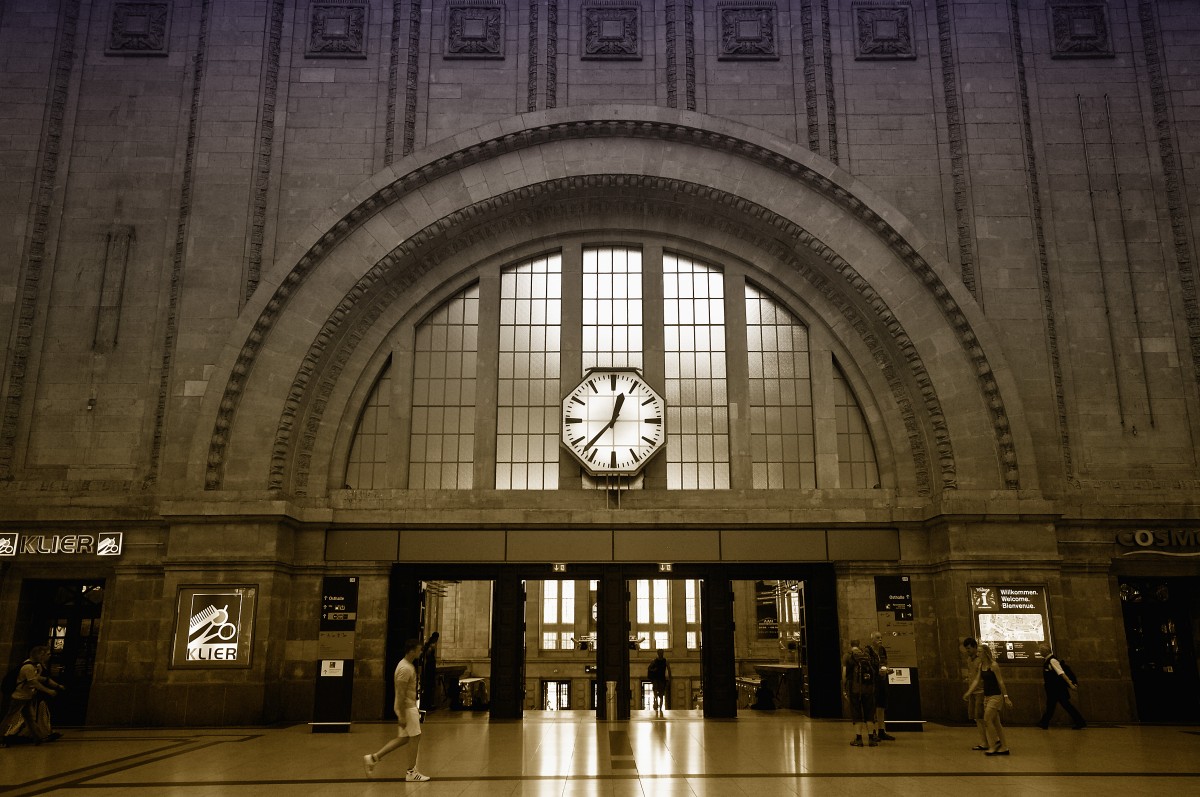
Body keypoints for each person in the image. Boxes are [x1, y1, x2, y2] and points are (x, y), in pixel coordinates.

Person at [363, 638, 431, 782]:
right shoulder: (405, 668)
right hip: (407, 707)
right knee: (416, 737)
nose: (420, 653)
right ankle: (411, 772)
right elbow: (400, 692)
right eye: (419, 650)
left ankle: (373, 758)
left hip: (407, 706)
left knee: (404, 738)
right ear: (412, 651)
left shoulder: (406, 666)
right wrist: (401, 714)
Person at [1, 646, 63, 746]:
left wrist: (55, 685)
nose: (44, 657)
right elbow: (34, 682)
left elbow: (38, 679)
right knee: (10, 717)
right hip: (19, 697)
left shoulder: (34, 666)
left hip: (27, 696)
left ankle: (37, 738)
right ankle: (1, 737)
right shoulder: (28, 667)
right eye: (43, 654)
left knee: (29, 718)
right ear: (38, 654)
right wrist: (49, 691)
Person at [962, 643, 1011, 755]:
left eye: (980, 652)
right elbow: (976, 680)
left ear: (985, 653)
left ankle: (993, 745)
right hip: (987, 697)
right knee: (996, 723)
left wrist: (1006, 697)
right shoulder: (981, 666)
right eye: (978, 651)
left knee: (987, 719)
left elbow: (1000, 682)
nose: (978, 654)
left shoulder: (993, 665)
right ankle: (1004, 747)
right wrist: (969, 692)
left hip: (996, 696)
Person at [1037, 642, 1086, 730]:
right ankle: (1044, 722)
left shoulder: (1052, 661)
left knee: (1062, 706)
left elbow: (1062, 673)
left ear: (1045, 651)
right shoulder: (1048, 660)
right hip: (1055, 689)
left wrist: (1071, 684)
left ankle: (1080, 722)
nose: (1039, 652)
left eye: (1040, 650)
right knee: (1054, 706)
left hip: (1057, 689)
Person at [841, 638, 877, 746]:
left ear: (850, 645)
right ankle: (871, 738)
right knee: (869, 712)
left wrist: (844, 688)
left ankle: (859, 739)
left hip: (855, 689)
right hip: (868, 688)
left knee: (856, 712)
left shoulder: (848, 656)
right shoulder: (866, 655)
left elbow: (844, 673)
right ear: (859, 644)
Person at [961, 637, 989, 751]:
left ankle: (986, 741)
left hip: (980, 691)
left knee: (981, 717)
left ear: (975, 647)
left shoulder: (980, 660)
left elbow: (979, 678)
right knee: (976, 718)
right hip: (973, 691)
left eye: (969, 649)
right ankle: (986, 740)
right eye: (966, 649)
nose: (968, 651)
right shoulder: (969, 659)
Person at [867, 631, 896, 741]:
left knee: (882, 705)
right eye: (878, 638)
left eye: (881, 637)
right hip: (874, 682)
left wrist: (887, 669)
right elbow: (869, 666)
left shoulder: (882, 650)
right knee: (873, 706)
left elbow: (884, 662)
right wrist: (877, 671)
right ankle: (873, 731)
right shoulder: (868, 650)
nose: (880, 639)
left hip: (882, 680)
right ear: (872, 639)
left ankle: (881, 730)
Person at [418, 631, 439, 713]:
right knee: (429, 686)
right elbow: (428, 656)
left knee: (429, 686)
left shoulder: (429, 645)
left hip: (429, 666)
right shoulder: (431, 646)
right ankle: (427, 704)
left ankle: (427, 703)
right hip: (430, 667)